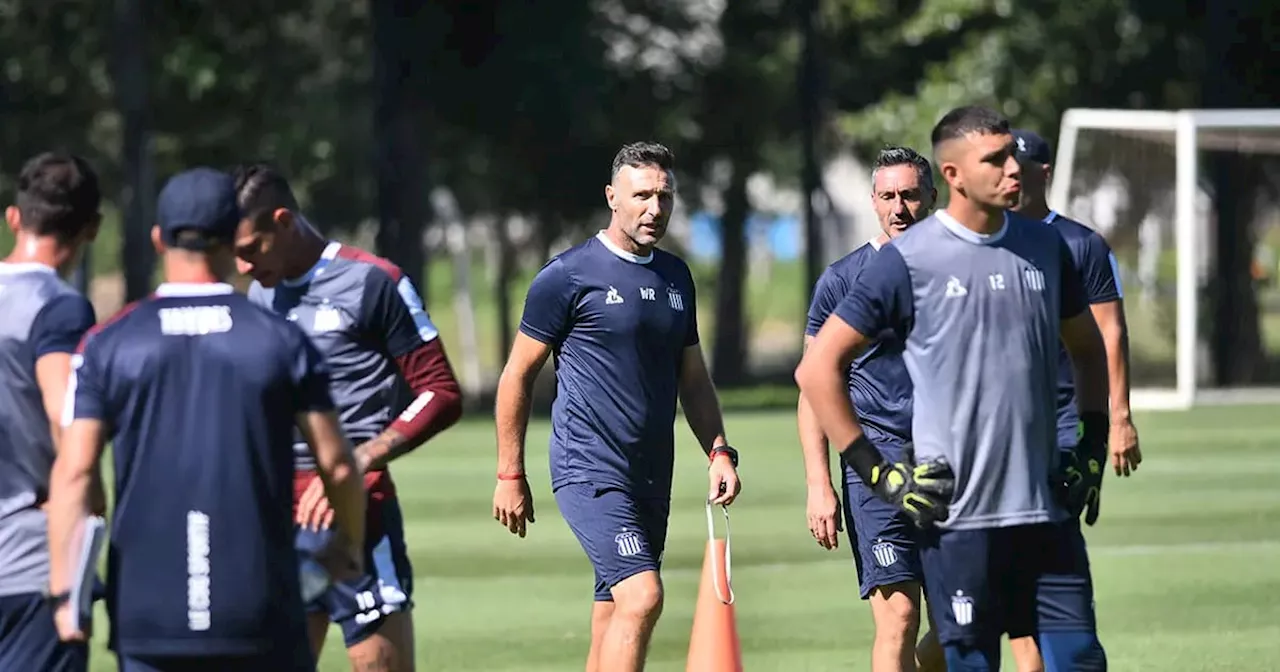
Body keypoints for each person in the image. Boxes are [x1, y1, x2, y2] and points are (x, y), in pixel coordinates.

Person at [795, 106, 1111, 672]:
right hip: (950, 505)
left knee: (1078, 656)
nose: (1015, 169)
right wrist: (870, 469)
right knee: (931, 635)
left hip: (1040, 499)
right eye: (996, 159)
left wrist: (1090, 444)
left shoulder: (1045, 248)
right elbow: (816, 372)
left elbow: (1090, 350)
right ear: (954, 175)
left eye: (1014, 155)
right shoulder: (901, 264)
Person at [46, 167, 368, 672]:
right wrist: (347, 547)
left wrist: (67, 594)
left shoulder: (109, 344)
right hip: (261, 612)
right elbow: (340, 465)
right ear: (232, 238)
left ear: (158, 239)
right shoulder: (281, 342)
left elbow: (74, 473)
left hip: (149, 614)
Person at [493, 141, 743, 672]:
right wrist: (509, 472)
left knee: (612, 610)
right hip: (589, 470)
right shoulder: (567, 276)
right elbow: (517, 374)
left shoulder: (676, 277)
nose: (655, 209)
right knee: (643, 596)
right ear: (612, 197)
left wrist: (719, 451)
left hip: (652, 474)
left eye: (665, 196)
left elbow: (693, 379)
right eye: (642, 196)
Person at [232, 163, 463, 672]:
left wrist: (359, 461)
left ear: (284, 221)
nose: (243, 266)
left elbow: (442, 392)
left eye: (251, 249)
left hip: (356, 510)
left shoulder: (372, 281)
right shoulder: (259, 295)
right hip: (278, 516)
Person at [797, 146, 945, 672]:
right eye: (888, 196)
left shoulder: (956, 271)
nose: (899, 207)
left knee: (962, 621)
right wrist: (820, 485)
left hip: (950, 465)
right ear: (873, 201)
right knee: (900, 617)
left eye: (909, 195)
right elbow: (813, 384)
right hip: (875, 467)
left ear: (933, 197)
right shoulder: (844, 279)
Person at [1002, 128, 1143, 672]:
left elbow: (1110, 333)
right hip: (1006, 426)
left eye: (1020, 166)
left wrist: (1118, 419)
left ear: (1043, 172)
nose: (1010, 176)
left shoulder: (1081, 244)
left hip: (1066, 422)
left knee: (1044, 544)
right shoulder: (987, 242)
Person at [0, 152, 102, 672]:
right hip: (29, 565)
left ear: (14, 218)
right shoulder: (58, 307)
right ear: (93, 229)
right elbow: (67, 420)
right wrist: (92, 507)